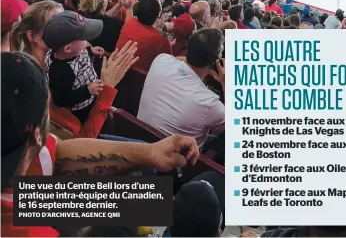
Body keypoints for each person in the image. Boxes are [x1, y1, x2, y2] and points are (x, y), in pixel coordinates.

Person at [1, 51, 199, 238]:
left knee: (145, 199)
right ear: (36, 135)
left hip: (31, 199)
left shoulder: (22, 149)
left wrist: (149, 153)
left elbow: (57, 153)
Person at [138, 28, 225, 148]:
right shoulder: (210, 103)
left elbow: (178, 60)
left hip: (137, 140)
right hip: (173, 162)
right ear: (216, 62)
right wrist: (226, 84)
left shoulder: (161, 60)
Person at [43, 10, 104, 123]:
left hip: (91, 90)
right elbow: (60, 99)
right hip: (81, 109)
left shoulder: (72, 50)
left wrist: (91, 51)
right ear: (67, 48)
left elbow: (79, 54)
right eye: (83, 37)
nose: (86, 40)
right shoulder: (60, 71)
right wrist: (88, 90)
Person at [116, 0, 172, 69]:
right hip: (141, 79)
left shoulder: (130, 22)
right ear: (159, 14)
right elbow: (167, 66)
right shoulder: (163, 39)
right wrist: (160, 30)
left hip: (116, 70)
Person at [10, 0, 64, 68]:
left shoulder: (62, 62)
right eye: (55, 27)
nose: (65, 30)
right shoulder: (23, 70)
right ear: (31, 35)